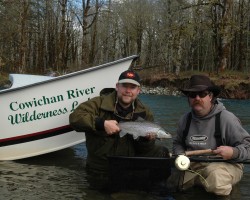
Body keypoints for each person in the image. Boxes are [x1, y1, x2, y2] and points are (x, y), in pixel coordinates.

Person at [69, 69, 169, 191]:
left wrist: (146, 141)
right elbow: (75, 118)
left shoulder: (145, 112)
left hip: (128, 167)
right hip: (100, 169)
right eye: (124, 86)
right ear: (117, 87)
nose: (128, 91)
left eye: (132, 87)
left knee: (162, 152)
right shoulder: (98, 103)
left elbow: (144, 150)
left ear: (138, 90)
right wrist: (101, 123)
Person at [173, 74, 250, 197]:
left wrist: (233, 152)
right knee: (174, 183)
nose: (197, 98)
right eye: (192, 95)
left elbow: (248, 149)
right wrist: (180, 154)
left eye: (202, 94)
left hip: (226, 165)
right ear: (188, 99)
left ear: (211, 96)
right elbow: (177, 143)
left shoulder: (227, 119)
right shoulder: (185, 120)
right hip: (194, 164)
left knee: (216, 178)